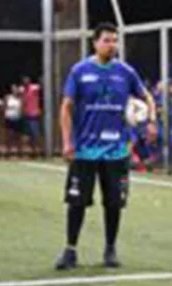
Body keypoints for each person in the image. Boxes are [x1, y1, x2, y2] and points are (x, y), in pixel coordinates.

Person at [55, 22, 157, 270]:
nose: (112, 45)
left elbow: (146, 97)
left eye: (115, 40)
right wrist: (67, 142)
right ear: (95, 43)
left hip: (116, 151)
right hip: (85, 150)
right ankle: (70, 250)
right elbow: (66, 107)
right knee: (77, 202)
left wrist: (152, 120)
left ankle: (110, 249)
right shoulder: (80, 71)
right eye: (107, 40)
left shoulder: (126, 72)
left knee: (113, 203)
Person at [21, 75, 43, 156]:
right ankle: (30, 151)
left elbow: (41, 87)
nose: (25, 81)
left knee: (35, 134)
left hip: (34, 114)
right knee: (27, 135)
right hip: (26, 114)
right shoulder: (23, 90)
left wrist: (42, 80)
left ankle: (38, 150)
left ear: (29, 80)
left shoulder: (34, 88)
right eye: (24, 80)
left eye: (27, 79)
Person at [3, 84, 24, 157]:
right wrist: (5, 115)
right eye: (13, 89)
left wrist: (21, 115)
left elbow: (22, 108)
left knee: (18, 136)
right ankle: (8, 152)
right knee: (9, 135)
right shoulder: (8, 97)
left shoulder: (20, 99)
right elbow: (4, 107)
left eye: (15, 89)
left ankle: (19, 152)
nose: (14, 90)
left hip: (17, 118)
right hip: (9, 118)